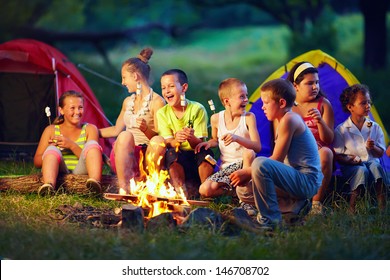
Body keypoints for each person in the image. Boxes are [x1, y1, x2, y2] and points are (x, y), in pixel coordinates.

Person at [231, 78, 323, 229]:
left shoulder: (290, 119)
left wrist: (247, 171)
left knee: (260, 163)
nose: (262, 108)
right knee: (244, 190)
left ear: (281, 103)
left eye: (266, 103)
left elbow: (276, 160)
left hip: (306, 181)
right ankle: (293, 208)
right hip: (293, 181)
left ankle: (270, 221)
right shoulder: (283, 121)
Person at [98, 47, 165, 193]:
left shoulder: (157, 102)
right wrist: (91, 131)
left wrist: (146, 129)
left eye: (124, 77)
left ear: (135, 76)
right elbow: (116, 130)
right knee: (125, 135)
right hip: (125, 157)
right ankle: (125, 188)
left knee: (157, 141)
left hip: (148, 157)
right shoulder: (127, 101)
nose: (122, 82)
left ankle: (152, 185)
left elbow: (160, 138)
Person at [195, 78, 261, 212]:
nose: (246, 100)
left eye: (246, 96)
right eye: (242, 97)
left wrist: (237, 138)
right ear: (227, 101)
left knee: (249, 152)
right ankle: (235, 194)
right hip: (226, 168)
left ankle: (247, 200)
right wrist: (208, 143)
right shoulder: (216, 119)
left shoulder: (248, 118)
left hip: (245, 164)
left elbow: (257, 146)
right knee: (204, 189)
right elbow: (215, 139)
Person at [155, 69, 214, 197]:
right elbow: (168, 142)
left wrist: (190, 137)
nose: (167, 91)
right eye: (163, 88)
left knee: (205, 153)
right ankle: (182, 194)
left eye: (171, 86)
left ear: (184, 87)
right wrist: (177, 140)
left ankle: (206, 192)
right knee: (171, 154)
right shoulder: (162, 113)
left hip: (195, 153)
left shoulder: (197, 109)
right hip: (178, 156)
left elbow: (200, 143)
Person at [287, 62, 335, 215]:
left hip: (317, 153)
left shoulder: (323, 104)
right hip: (293, 153)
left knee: (327, 153)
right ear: (296, 85)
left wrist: (320, 121)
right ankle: (293, 202)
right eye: (309, 83)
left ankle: (316, 203)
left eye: (317, 82)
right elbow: (279, 138)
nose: (315, 87)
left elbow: (328, 140)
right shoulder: (286, 106)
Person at [34, 90, 103, 196]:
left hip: (81, 172)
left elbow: (94, 158)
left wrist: (71, 145)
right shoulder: (51, 130)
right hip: (60, 171)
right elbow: (37, 162)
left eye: (80, 107)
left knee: (92, 145)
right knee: (52, 150)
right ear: (61, 110)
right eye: (72, 108)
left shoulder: (90, 129)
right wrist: (50, 151)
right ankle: (49, 186)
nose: (77, 112)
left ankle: (95, 184)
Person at [333, 84, 388, 213]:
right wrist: (350, 160)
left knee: (376, 166)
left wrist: (373, 147)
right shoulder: (341, 130)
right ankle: (352, 208)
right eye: (363, 103)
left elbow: (380, 153)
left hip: (371, 163)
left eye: (369, 102)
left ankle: (382, 205)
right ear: (350, 107)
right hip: (352, 167)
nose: (368, 106)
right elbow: (339, 155)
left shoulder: (374, 127)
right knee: (361, 170)